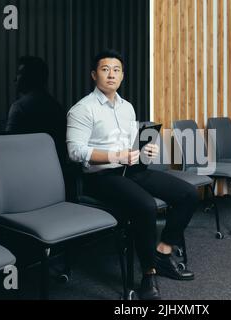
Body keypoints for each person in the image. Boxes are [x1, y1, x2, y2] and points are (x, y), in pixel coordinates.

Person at [66, 50, 199, 300]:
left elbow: (130, 146)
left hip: (132, 169)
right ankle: (148, 273)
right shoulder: (82, 110)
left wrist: (145, 149)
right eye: (105, 69)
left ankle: (163, 252)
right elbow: (75, 151)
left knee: (188, 194)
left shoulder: (127, 107)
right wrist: (117, 156)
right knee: (146, 207)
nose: (111, 74)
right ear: (94, 75)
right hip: (100, 178)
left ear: (123, 75)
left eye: (116, 70)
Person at [6, 56, 67, 163]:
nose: (15, 79)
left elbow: (8, 147)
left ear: (29, 77)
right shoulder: (57, 108)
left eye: (19, 73)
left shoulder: (19, 108)